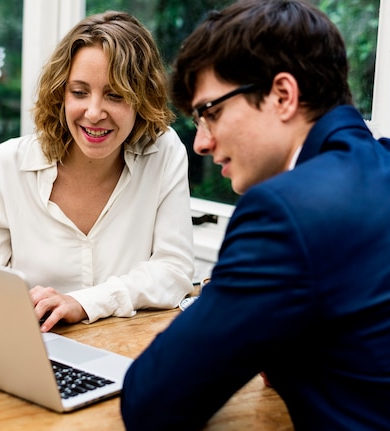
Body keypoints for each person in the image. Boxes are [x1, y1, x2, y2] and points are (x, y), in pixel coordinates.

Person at [121, 0, 390, 429]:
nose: (201, 144)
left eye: (211, 112)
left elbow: (153, 403)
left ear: (282, 95)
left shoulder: (283, 213)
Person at [0, 11, 195, 333]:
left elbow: (174, 270)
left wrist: (84, 302)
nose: (94, 112)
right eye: (79, 92)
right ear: (61, 94)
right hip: (35, 350)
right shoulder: (5, 167)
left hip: (129, 353)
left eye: (115, 95)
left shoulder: (164, 152)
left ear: (141, 99)